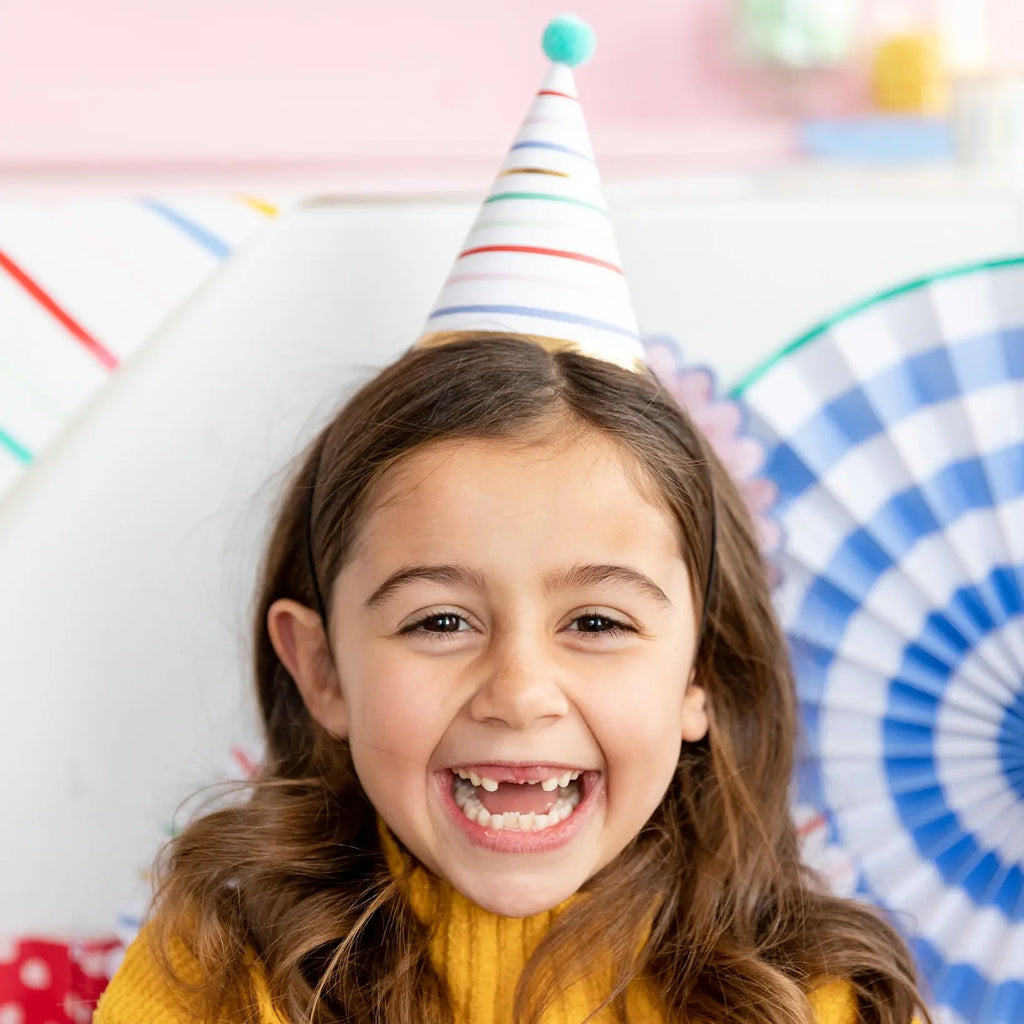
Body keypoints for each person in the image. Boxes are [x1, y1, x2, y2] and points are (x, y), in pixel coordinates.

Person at [94, 16, 932, 1024]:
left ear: (701, 670)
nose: (520, 691)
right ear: (319, 668)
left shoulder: (805, 1001)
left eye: (597, 621)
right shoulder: (219, 977)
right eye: (439, 620)